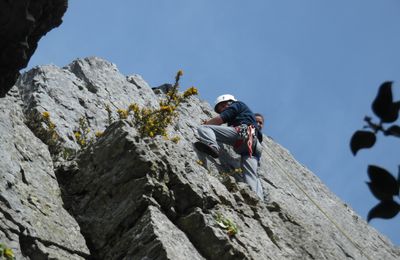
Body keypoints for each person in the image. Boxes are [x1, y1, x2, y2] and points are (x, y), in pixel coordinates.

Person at [194, 94, 264, 200]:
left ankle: (213, 146)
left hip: (243, 134)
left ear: (229, 102)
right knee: (250, 176)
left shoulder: (237, 105)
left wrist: (206, 123)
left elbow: (220, 119)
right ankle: (258, 200)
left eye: (222, 107)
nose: (222, 110)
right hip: (254, 147)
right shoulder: (247, 115)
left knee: (204, 129)